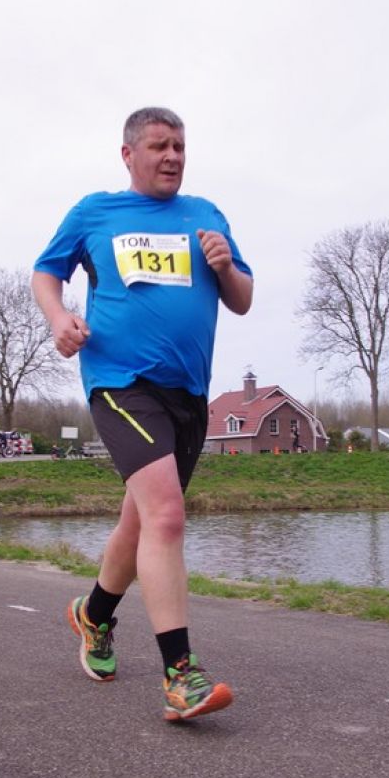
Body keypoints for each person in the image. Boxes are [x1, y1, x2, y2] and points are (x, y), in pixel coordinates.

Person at [32, 106, 253, 721]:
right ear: (128, 154)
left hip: (188, 393)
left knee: (141, 523)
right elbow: (46, 273)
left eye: (179, 145)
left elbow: (241, 300)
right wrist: (59, 318)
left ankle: (95, 615)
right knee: (167, 516)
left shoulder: (206, 215)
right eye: (159, 145)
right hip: (120, 382)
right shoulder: (95, 213)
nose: (172, 156)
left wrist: (225, 267)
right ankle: (181, 676)